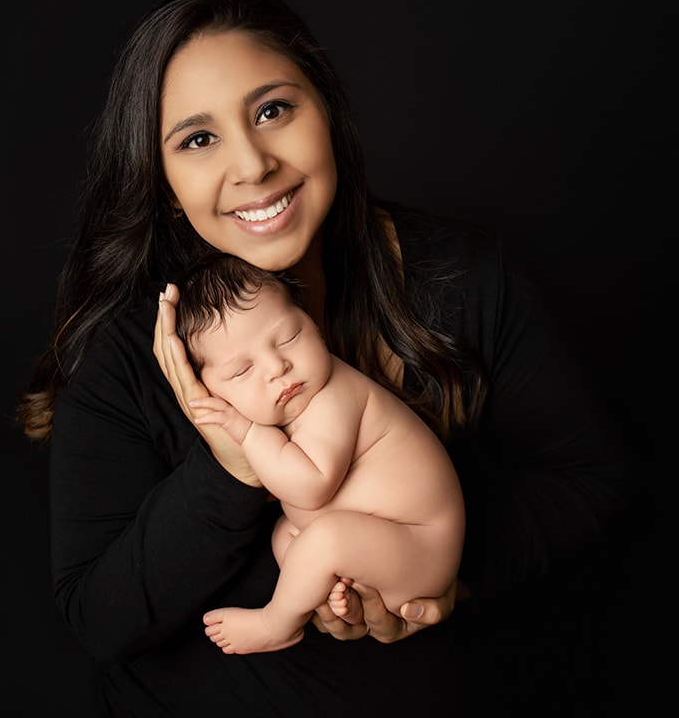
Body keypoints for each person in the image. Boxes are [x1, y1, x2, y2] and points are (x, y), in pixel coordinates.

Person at [16, 0, 633, 715]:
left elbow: (588, 478)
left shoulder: (464, 274)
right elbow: (100, 618)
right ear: (164, 184)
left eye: (273, 110)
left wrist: (438, 578)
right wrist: (233, 467)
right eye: (198, 139)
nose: (252, 165)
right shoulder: (135, 348)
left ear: (328, 112)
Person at [170, 252, 466, 655]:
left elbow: (311, 488)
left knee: (322, 540)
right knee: (287, 536)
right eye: (242, 371)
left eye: (289, 337)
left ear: (314, 324)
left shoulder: (334, 395)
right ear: (207, 392)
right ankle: (333, 593)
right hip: (381, 549)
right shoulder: (294, 405)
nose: (277, 366)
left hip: (421, 546)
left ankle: (276, 624)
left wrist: (246, 430)